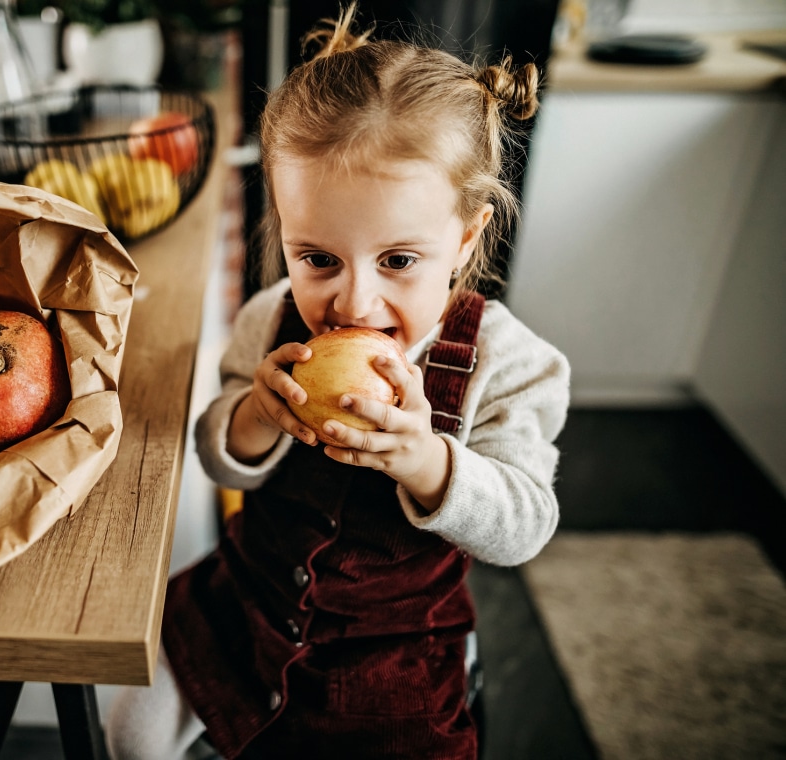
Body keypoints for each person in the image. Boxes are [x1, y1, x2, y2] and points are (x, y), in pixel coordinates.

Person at [106, 4, 570, 758]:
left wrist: (427, 461)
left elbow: (525, 525)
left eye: (397, 261)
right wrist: (254, 414)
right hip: (244, 606)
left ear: (465, 236)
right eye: (317, 258)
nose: (353, 302)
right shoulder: (269, 320)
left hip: (387, 657)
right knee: (129, 731)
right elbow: (219, 456)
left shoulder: (509, 365)